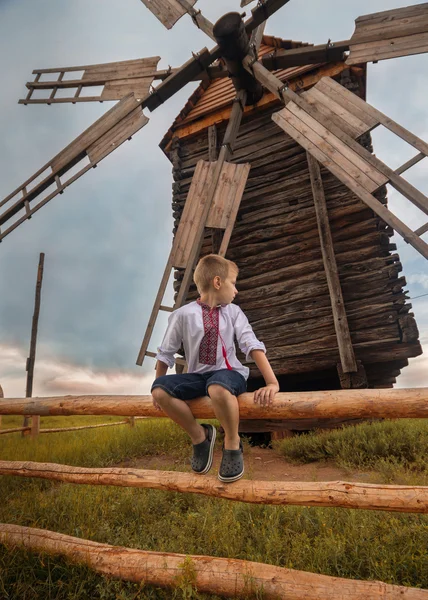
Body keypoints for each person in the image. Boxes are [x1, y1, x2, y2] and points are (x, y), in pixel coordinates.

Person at [151, 254, 279, 483]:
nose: (236, 290)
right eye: (233, 283)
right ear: (218, 283)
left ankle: (232, 441)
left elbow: (251, 344)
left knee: (217, 387)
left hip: (230, 375)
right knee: (159, 390)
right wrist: (158, 389)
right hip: (197, 377)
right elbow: (165, 353)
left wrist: (272, 382)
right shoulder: (182, 315)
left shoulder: (234, 312)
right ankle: (200, 436)